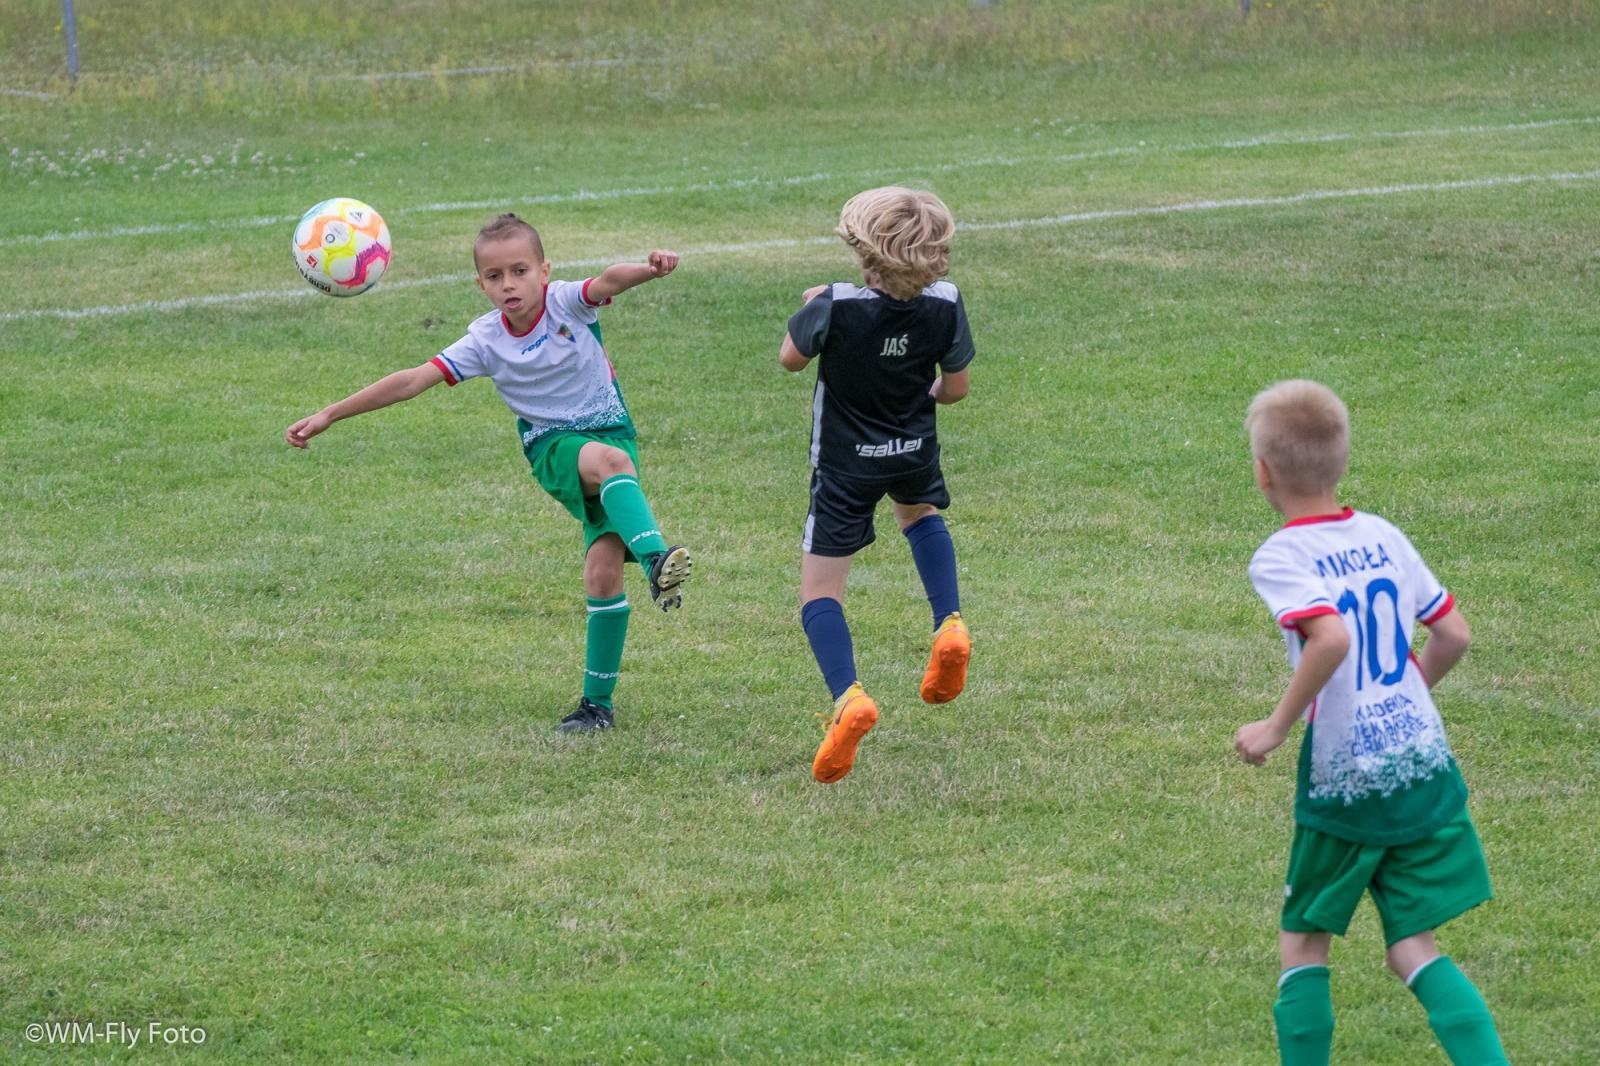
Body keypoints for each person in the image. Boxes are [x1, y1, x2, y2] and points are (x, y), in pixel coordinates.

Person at [285, 212, 692, 734]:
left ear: (544, 271)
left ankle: (596, 708)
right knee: (611, 466)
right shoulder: (484, 340)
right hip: (552, 447)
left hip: (612, 433)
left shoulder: (566, 302)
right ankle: (656, 559)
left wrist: (649, 270)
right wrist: (330, 414)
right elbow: (411, 380)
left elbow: (608, 280)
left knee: (602, 571)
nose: (509, 285)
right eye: (495, 276)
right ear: (481, 285)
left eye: (520, 271)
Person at [1235, 380, 1506, 1065]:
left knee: (1304, 945)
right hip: (1422, 769)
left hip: (1348, 781)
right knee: (1412, 946)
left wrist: (1275, 726)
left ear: (1263, 472)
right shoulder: (1383, 534)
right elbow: (1454, 634)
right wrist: (1402, 697)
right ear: (1342, 461)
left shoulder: (1282, 555)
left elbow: (1330, 638)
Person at [778, 186, 975, 784]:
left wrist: (814, 307)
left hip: (845, 466)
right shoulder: (947, 303)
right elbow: (955, 389)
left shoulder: (833, 304)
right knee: (918, 515)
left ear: (864, 251)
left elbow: (790, 359)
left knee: (820, 593)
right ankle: (949, 622)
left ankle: (849, 699)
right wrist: (921, 395)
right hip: (912, 450)